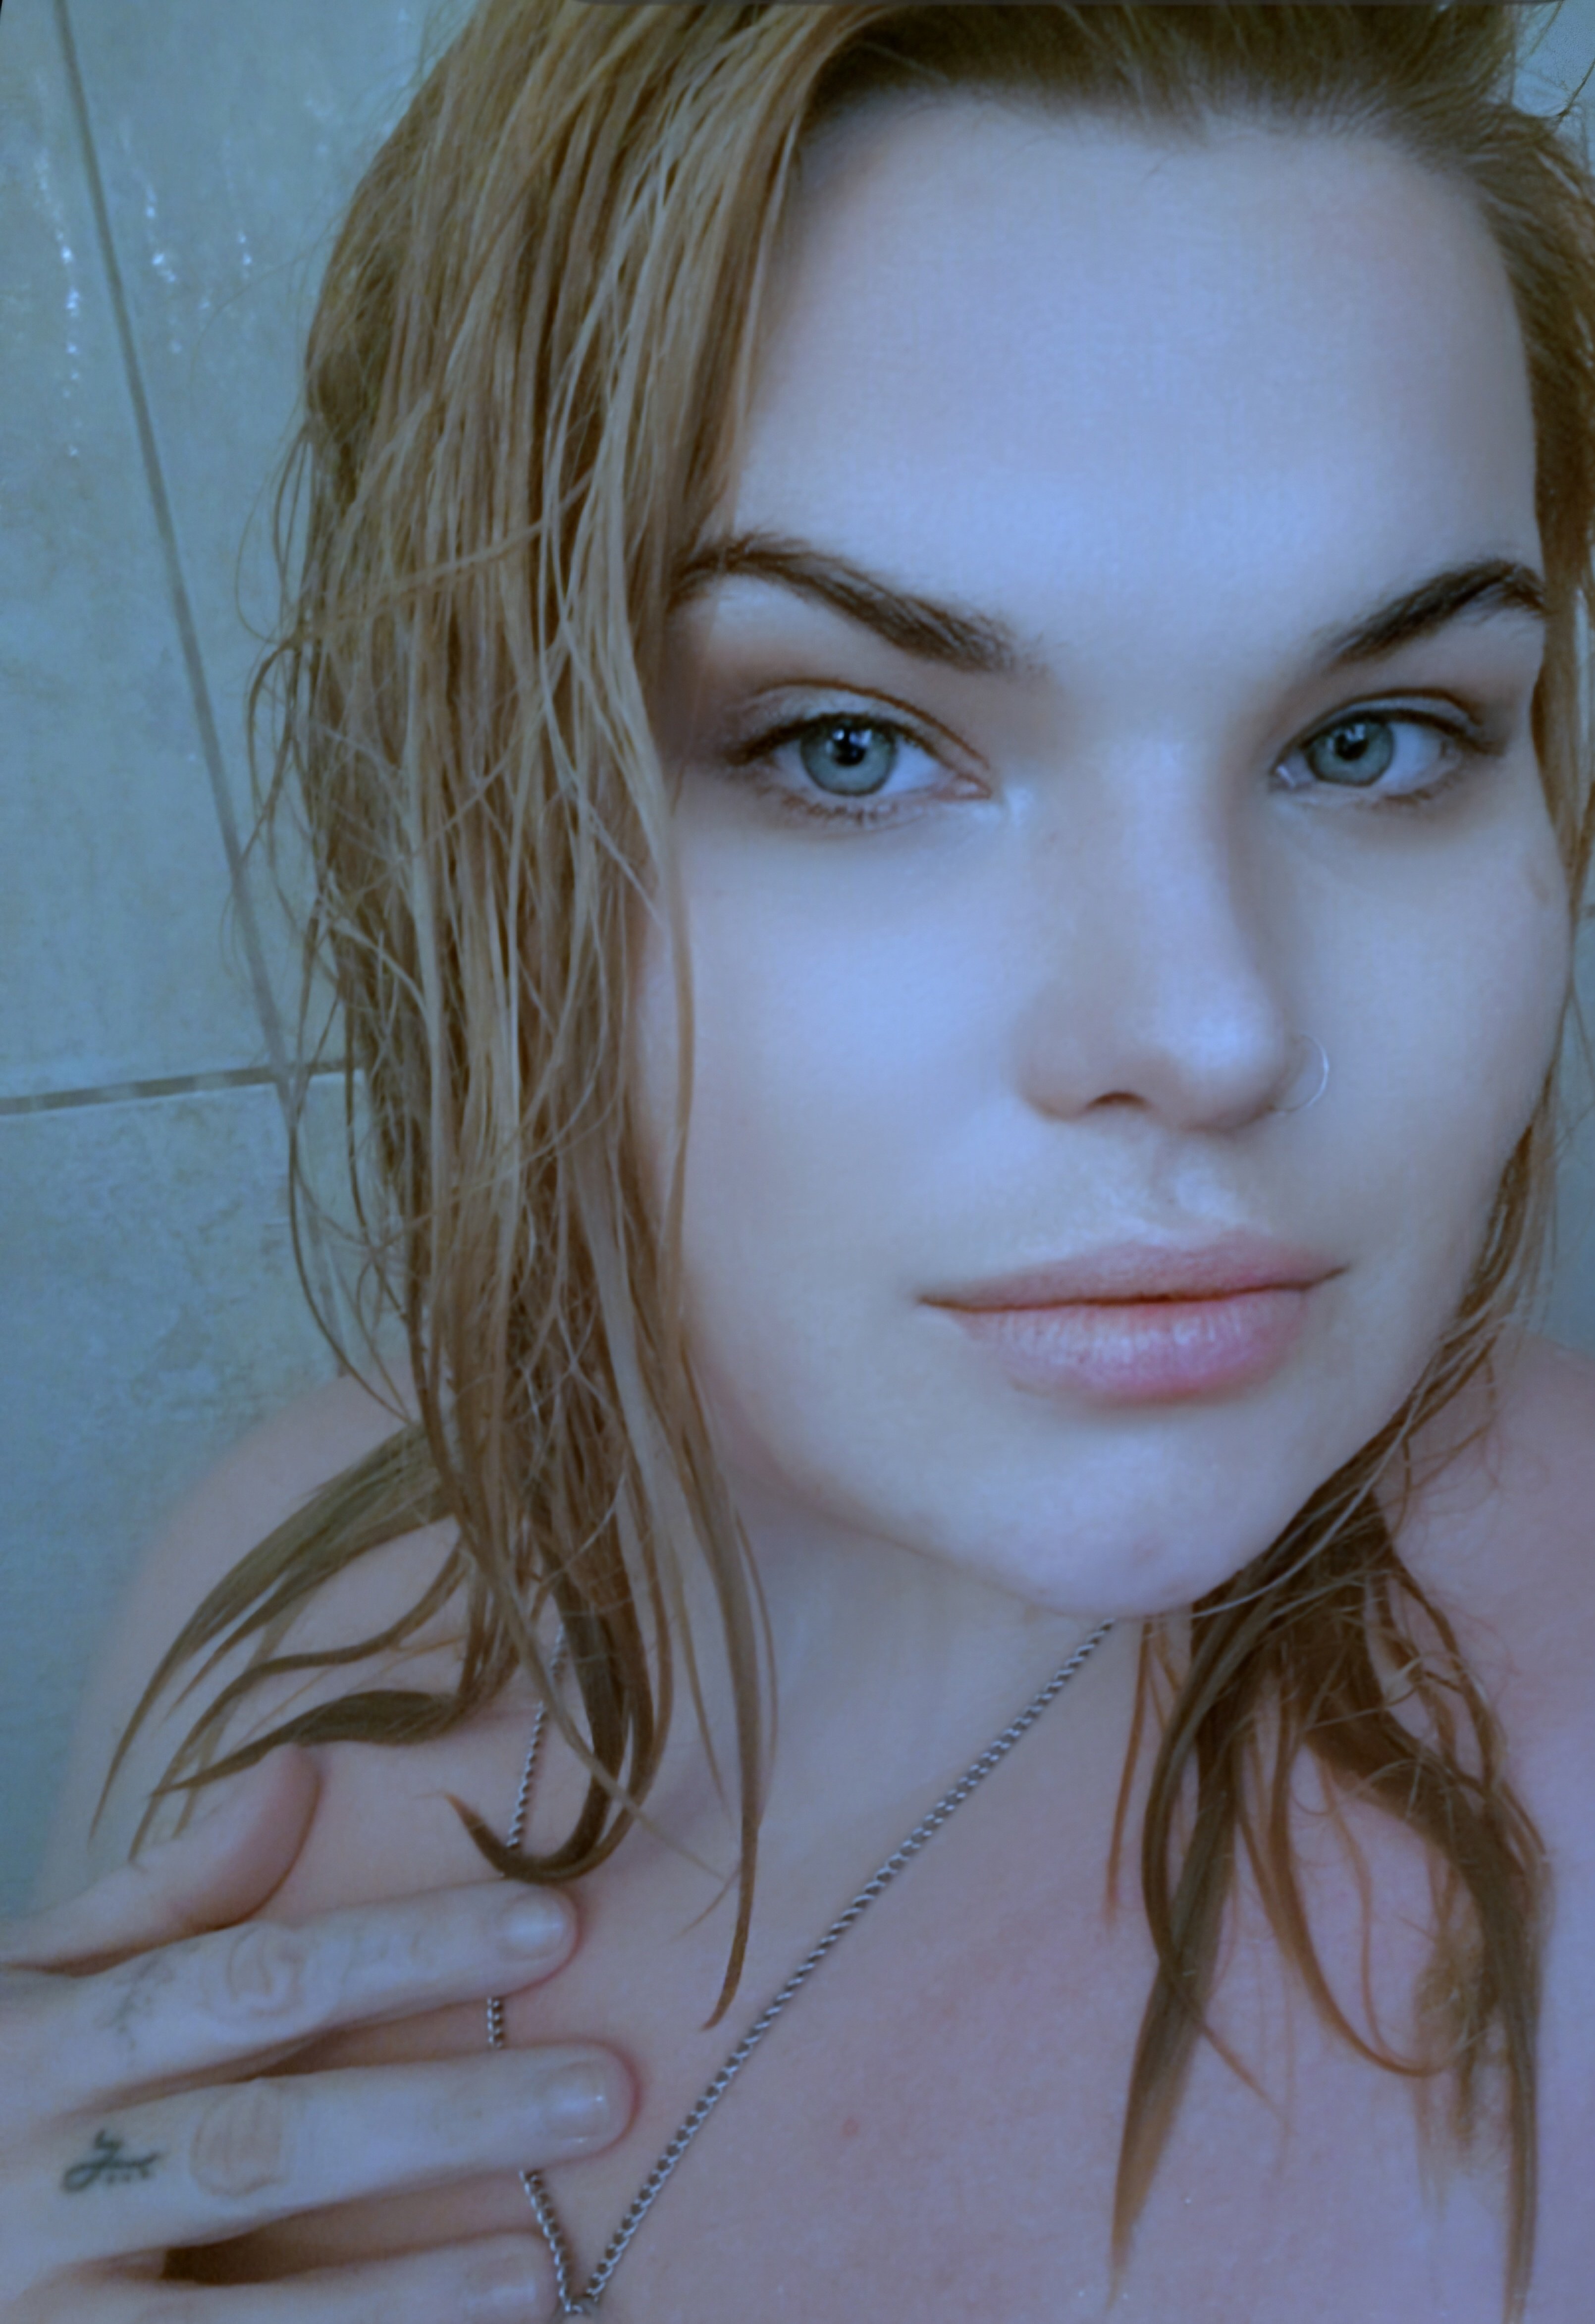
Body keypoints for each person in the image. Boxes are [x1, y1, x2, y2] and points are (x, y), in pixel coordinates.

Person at [7, 2, 1595, 2317]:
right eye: (849, 745)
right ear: (476, 806)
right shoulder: (267, 1605)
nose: (1209, 1032)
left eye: (1376, 737)